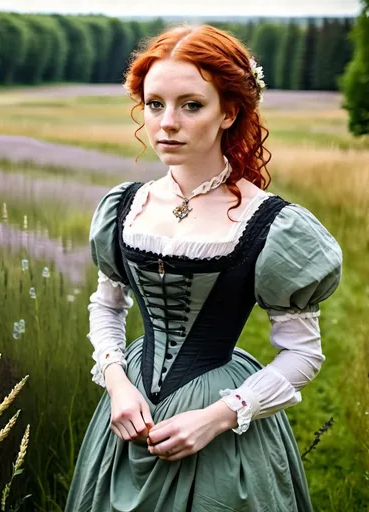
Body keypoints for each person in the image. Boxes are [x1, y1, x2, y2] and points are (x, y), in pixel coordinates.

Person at [65, 24, 342, 512]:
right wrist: (116, 382)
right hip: (129, 414)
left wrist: (218, 416)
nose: (167, 122)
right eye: (155, 104)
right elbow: (107, 304)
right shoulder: (124, 206)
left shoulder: (271, 224)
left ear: (228, 112)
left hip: (220, 427)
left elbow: (304, 354)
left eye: (191, 105)